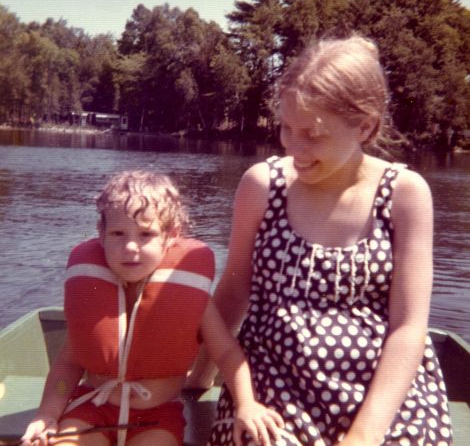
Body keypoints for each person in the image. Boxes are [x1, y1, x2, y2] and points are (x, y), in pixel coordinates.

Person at [187, 35, 453, 445]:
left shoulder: (405, 193)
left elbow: (408, 326)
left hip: (381, 391)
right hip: (275, 382)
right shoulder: (264, 185)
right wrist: (199, 376)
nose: (294, 147)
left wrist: (364, 434)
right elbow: (235, 289)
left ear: (365, 126)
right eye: (286, 129)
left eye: (313, 134)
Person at [21, 170, 283, 446]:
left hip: (157, 416)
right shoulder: (91, 293)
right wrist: (47, 414)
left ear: (171, 235)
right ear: (101, 233)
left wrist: (247, 404)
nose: (130, 247)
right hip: (92, 408)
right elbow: (66, 368)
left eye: (145, 234)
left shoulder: (192, 297)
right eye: (118, 233)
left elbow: (228, 354)